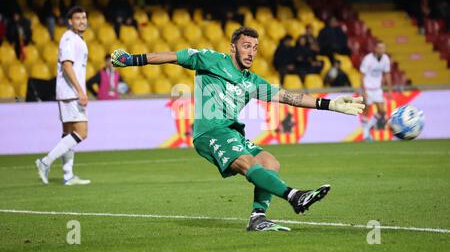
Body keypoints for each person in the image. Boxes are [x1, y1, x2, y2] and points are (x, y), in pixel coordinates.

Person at [110, 26, 365, 231]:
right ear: (232, 47)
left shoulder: (252, 81)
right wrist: (132, 59)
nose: (251, 52)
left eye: (255, 47)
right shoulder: (210, 60)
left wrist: (329, 104)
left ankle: (258, 218)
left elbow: (287, 97)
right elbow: (173, 57)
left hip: (232, 132)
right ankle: (294, 196)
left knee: (269, 162)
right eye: (246, 46)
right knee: (246, 163)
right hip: (209, 132)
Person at [35, 6, 91, 186]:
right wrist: (80, 91)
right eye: (78, 18)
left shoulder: (77, 39)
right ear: (70, 21)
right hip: (71, 93)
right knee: (82, 133)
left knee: (67, 133)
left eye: (84, 17)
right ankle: (45, 162)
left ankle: (68, 175)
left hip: (68, 92)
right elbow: (67, 65)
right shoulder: (68, 38)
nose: (82, 21)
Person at [360, 42, 392, 142]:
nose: (382, 50)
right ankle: (366, 135)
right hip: (368, 88)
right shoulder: (368, 59)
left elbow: (387, 74)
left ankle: (366, 130)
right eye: (380, 48)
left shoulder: (385, 58)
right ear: (375, 48)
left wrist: (389, 89)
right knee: (366, 111)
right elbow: (361, 75)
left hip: (377, 89)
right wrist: (363, 90)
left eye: (383, 48)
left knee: (382, 111)